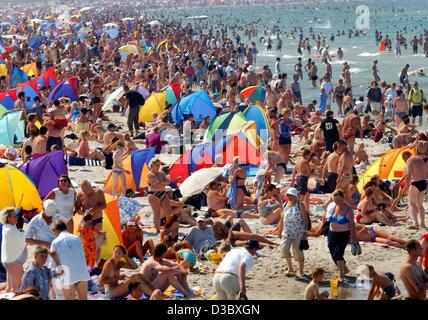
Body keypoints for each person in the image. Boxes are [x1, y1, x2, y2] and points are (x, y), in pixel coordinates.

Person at [49, 221, 90, 300]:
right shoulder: (77, 238)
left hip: (67, 276)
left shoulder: (55, 242)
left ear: (56, 230)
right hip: (82, 272)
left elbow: (53, 265)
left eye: (53, 231)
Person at [325, 189, 357, 281]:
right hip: (331, 233)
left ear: (343, 199)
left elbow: (352, 224)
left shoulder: (348, 209)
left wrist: (354, 237)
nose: (337, 202)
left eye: (339, 200)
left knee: (338, 253)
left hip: (343, 234)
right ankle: (345, 268)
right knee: (333, 253)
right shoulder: (332, 207)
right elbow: (326, 217)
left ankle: (341, 274)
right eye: (335, 200)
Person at [278, 187, 309, 278]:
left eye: (291, 195)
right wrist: (279, 230)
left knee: (298, 252)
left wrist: (305, 231)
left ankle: (301, 270)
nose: (289, 196)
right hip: (287, 232)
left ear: (296, 196)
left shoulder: (300, 204)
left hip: (298, 232)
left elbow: (305, 219)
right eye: (288, 195)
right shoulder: (285, 205)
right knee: (284, 248)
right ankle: (290, 268)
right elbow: (282, 219)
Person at [75, 180, 107, 260]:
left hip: (97, 219)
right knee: (82, 241)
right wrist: (78, 210)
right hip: (86, 221)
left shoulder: (98, 192)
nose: (85, 192)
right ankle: (85, 260)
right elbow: (77, 207)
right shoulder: (80, 195)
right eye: (83, 190)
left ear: (90, 186)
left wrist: (95, 209)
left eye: (86, 189)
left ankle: (96, 263)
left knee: (97, 243)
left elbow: (104, 205)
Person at [1, 207, 27, 293]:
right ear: (8, 218)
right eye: (15, 216)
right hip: (14, 261)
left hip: (9, 261)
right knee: (16, 289)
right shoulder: (10, 230)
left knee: (9, 288)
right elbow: (24, 239)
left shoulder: (7, 228)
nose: (17, 217)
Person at [147, 158, 174, 233]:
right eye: (156, 165)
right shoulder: (150, 174)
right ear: (152, 165)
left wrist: (162, 182)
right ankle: (158, 230)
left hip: (162, 192)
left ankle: (169, 228)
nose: (158, 166)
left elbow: (167, 182)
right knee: (157, 213)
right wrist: (163, 182)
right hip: (153, 194)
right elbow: (157, 185)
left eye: (159, 164)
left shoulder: (161, 172)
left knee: (169, 212)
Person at [405, 141, 428, 228]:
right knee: (420, 205)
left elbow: (408, 174)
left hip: (415, 182)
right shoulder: (422, 161)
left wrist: (407, 186)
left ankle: (415, 223)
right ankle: (422, 223)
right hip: (423, 183)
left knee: (412, 204)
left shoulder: (411, 160)